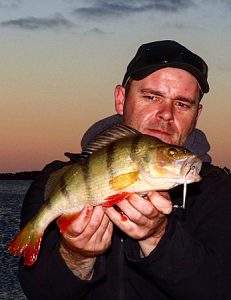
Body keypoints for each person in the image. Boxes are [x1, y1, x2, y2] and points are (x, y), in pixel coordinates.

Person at [18, 40, 231, 300]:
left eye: (182, 104)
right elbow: (40, 292)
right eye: (152, 97)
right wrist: (77, 256)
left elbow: (219, 289)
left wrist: (158, 238)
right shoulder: (57, 178)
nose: (166, 114)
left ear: (196, 114)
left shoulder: (218, 190)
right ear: (121, 99)